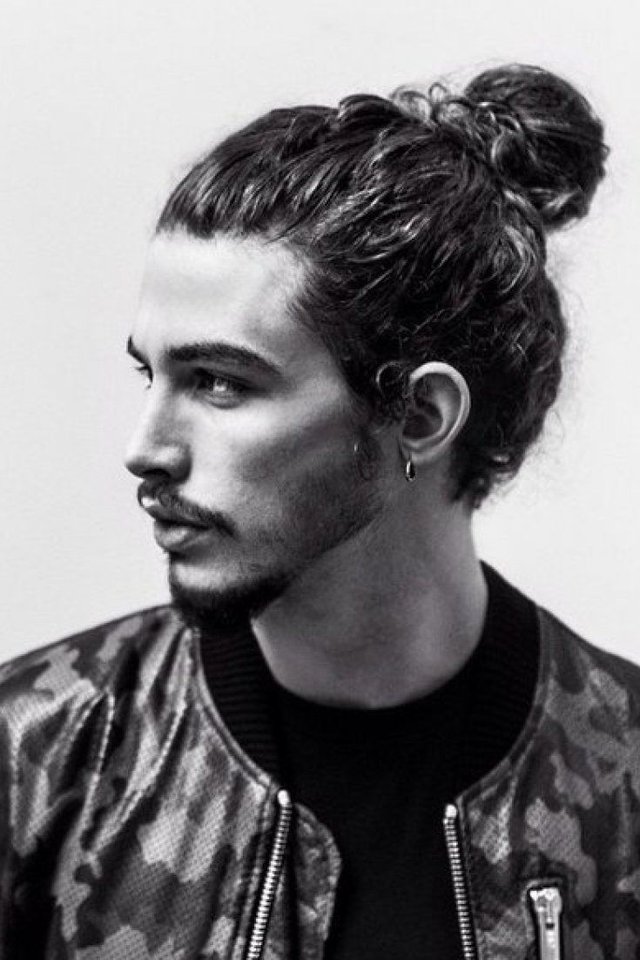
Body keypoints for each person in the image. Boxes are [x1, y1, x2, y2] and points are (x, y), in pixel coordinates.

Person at [0, 62, 637, 960]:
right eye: (153, 374)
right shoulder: (35, 756)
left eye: (219, 382)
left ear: (420, 416)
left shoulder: (624, 780)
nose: (146, 449)